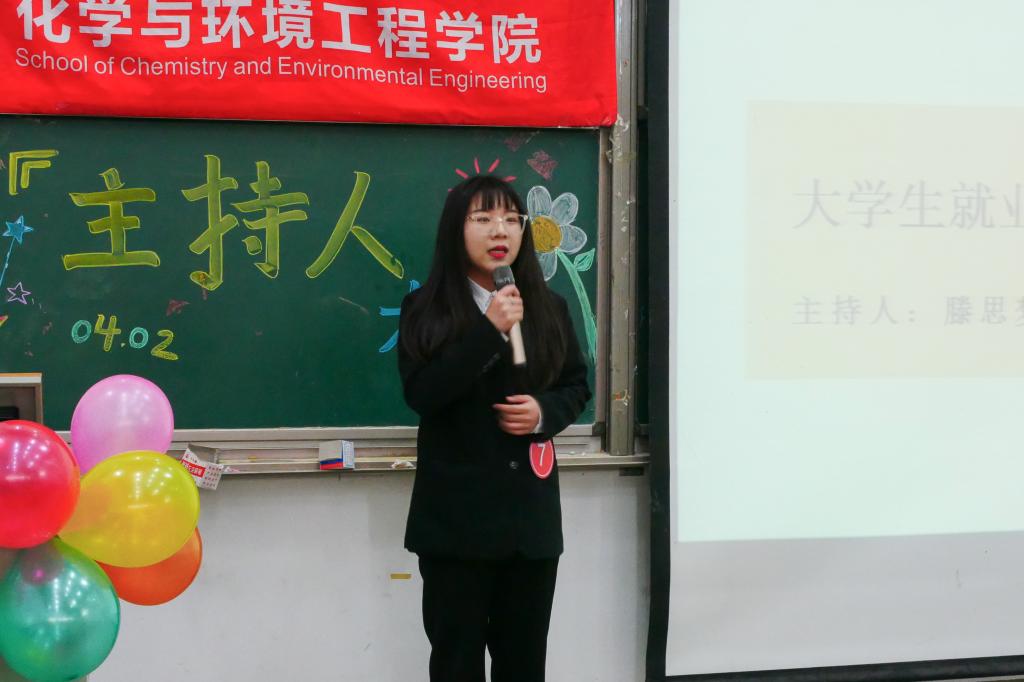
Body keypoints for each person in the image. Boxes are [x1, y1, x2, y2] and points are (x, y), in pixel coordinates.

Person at [397, 175, 591, 682]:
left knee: (524, 666)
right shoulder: (425, 308)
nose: (499, 230)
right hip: (456, 526)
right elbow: (424, 393)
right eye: (482, 218)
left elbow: (576, 386)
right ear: (456, 230)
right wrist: (490, 330)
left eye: (510, 219)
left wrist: (543, 413)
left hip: (529, 524)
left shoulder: (549, 307)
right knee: (456, 665)